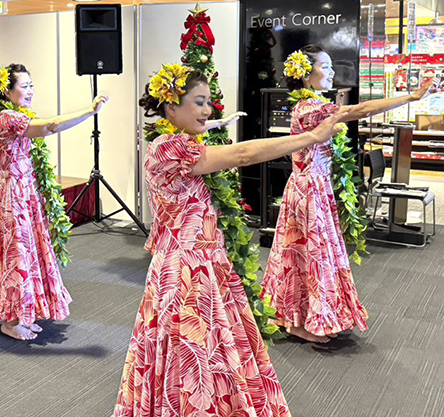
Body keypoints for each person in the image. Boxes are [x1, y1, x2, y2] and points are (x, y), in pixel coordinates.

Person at [114, 63, 346, 417]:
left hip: (201, 262)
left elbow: (216, 137)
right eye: (199, 102)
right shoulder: (171, 148)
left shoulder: (173, 141)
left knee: (210, 347)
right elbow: (242, 154)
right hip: (186, 269)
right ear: (171, 107)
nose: (207, 110)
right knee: (193, 350)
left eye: (209, 102)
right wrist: (311, 137)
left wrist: (220, 122)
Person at [261, 45, 440, 343]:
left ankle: (297, 317)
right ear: (305, 75)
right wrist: (411, 97)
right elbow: (358, 110)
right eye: (325, 66)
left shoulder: (314, 103)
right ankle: (301, 321)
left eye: (331, 66)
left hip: (313, 188)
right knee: (310, 255)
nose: (332, 72)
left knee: (302, 254)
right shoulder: (310, 108)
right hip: (309, 191)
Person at [0, 64, 109, 340]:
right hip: (13, 196)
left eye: (31, 85)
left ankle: (24, 313)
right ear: (7, 91)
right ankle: (11, 321)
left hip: (27, 193)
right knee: (16, 254)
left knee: (29, 252)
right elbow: (51, 126)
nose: (30, 91)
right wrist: (89, 111)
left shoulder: (20, 115)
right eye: (24, 86)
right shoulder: (7, 119)